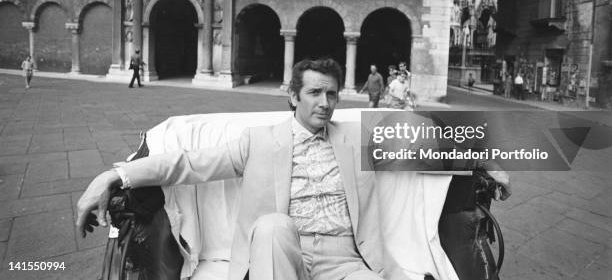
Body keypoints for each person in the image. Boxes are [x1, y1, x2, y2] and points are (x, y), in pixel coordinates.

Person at [76, 58, 511, 280]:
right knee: (270, 225)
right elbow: (186, 163)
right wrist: (112, 175)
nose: (325, 104)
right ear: (293, 96)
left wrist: (488, 160)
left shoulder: (358, 136)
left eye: (333, 95)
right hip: (282, 252)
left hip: (346, 257)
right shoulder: (259, 141)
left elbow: (427, 137)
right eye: (316, 93)